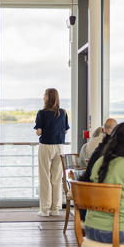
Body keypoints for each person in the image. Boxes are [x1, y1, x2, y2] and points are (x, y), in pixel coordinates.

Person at [34, 88, 70, 217]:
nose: (43, 97)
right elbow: (66, 131)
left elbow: (39, 132)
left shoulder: (41, 113)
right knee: (56, 178)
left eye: (45, 95)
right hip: (59, 147)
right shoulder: (63, 113)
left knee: (45, 177)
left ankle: (44, 209)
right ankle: (55, 208)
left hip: (46, 146)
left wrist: (43, 129)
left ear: (48, 98)